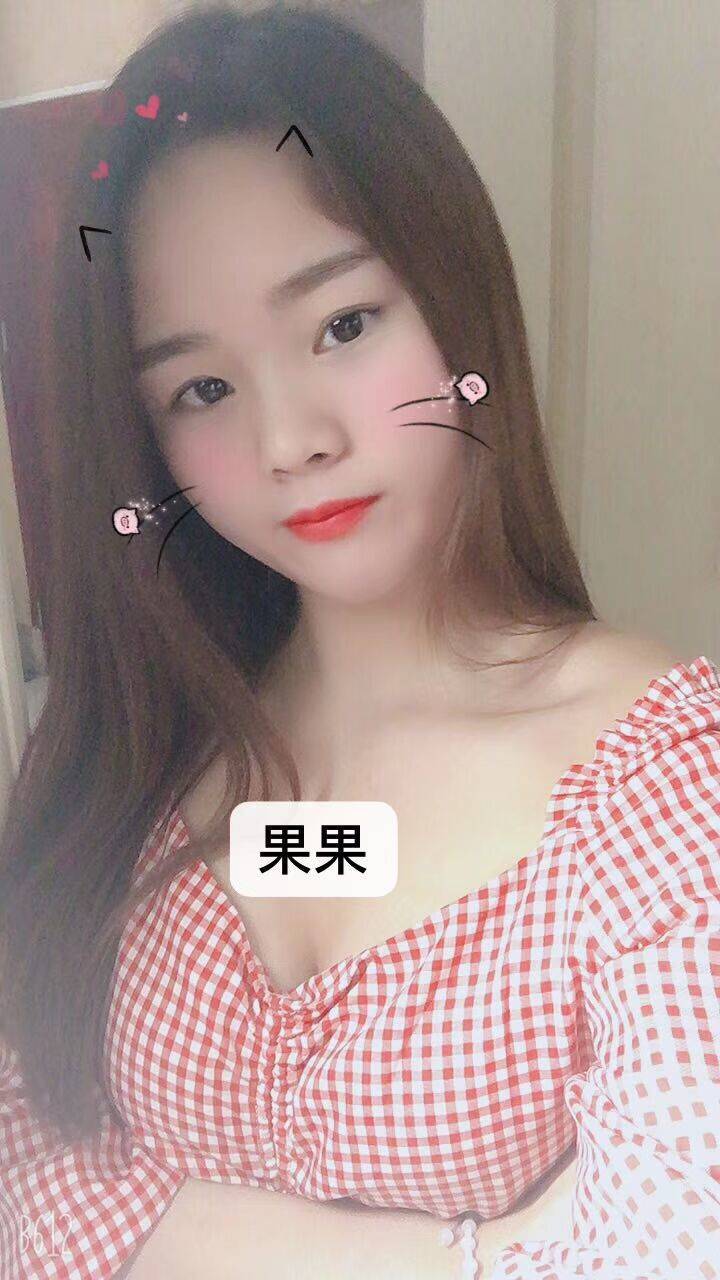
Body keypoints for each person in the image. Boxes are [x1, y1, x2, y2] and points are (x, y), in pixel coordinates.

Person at [1, 5, 718, 1278]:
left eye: (341, 324)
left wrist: (163, 1225)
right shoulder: (141, 738)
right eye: (202, 389)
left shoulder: (660, 776)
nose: (292, 441)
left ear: (455, 297)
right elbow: (27, 1159)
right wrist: (484, 1249)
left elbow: (669, 1244)